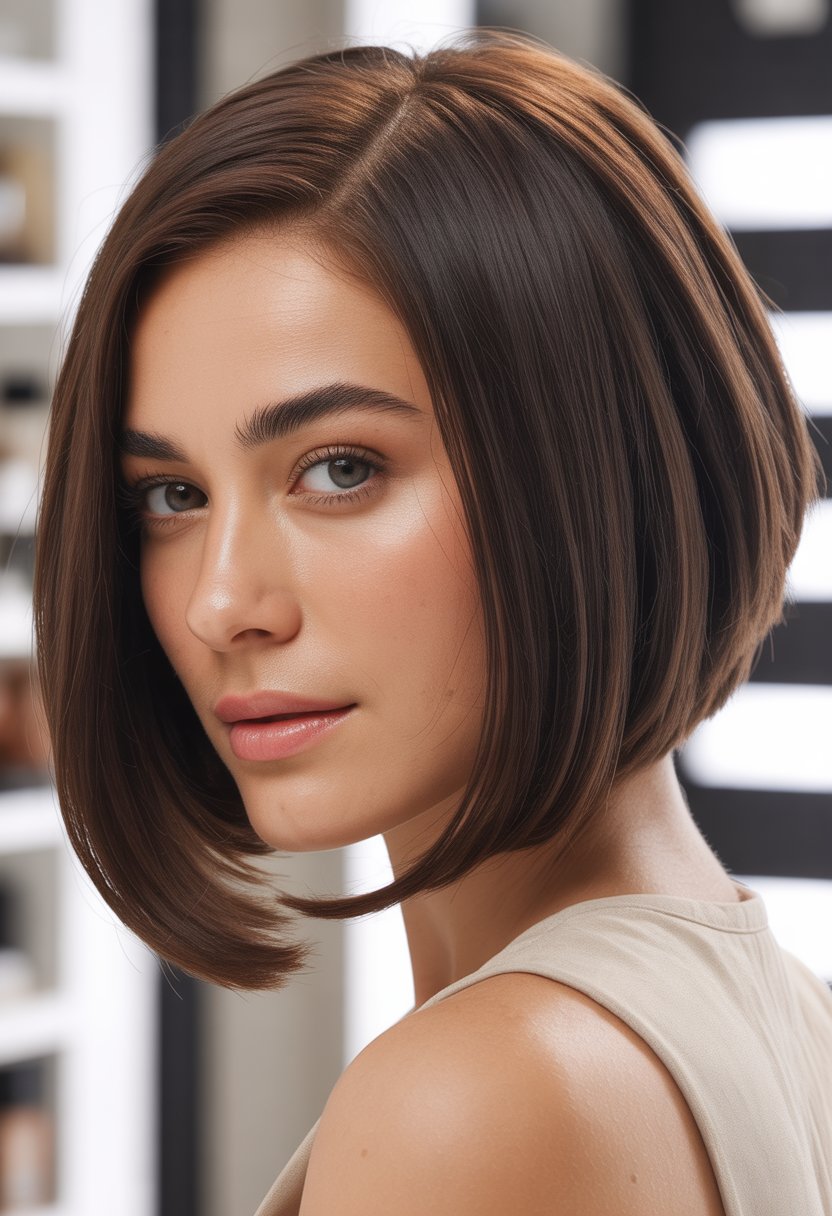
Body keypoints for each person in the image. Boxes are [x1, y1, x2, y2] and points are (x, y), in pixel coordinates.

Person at [33, 29, 831, 1216]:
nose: (221, 602)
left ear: (593, 475)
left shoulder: (478, 1097)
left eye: (340, 468)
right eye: (172, 495)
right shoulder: (788, 1017)